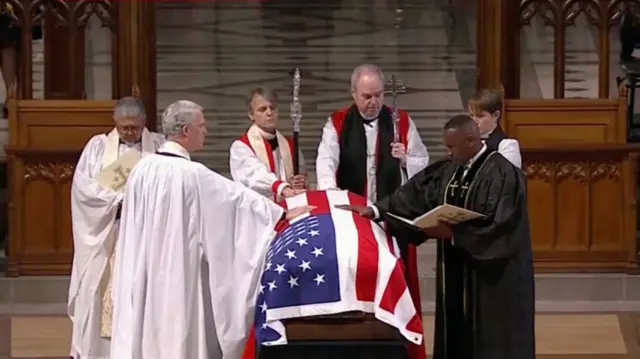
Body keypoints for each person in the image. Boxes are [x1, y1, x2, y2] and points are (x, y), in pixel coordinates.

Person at [109, 100, 312, 359]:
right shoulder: (193, 174)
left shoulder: (140, 169)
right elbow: (237, 202)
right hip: (176, 274)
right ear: (185, 131)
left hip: (144, 269)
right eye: (201, 126)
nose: (205, 131)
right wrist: (280, 213)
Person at [338, 115, 535, 359]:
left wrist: (455, 234)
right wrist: (377, 210)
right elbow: (415, 195)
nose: (448, 152)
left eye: (452, 146)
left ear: (471, 140)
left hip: (492, 282)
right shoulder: (450, 171)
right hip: (456, 270)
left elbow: (503, 228)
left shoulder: (503, 175)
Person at [315, 63, 430, 359]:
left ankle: (397, 343)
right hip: (354, 218)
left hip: (392, 216)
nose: (373, 102)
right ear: (353, 93)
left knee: (397, 278)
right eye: (366, 96)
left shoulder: (401, 122)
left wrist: (405, 159)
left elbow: (423, 167)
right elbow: (326, 163)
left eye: (378, 95)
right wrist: (333, 200)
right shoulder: (338, 122)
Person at [67, 97, 165, 359]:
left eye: (134, 127)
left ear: (144, 122)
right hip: (109, 230)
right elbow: (82, 190)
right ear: (115, 122)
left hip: (146, 231)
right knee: (101, 289)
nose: (129, 133)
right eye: (123, 128)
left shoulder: (159, 145)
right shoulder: (98, 147)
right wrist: (119, 198)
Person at [229, 86, 307, 200]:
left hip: (288, 209)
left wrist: (299, 182)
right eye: (262, 109)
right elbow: (254, 175)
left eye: (273, 108)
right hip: (257, 212)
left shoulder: (290, 144)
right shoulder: (241, 147)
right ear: (251, 115)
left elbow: (301, 178)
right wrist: (281, 187)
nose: (269, 113)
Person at [467, 87, 522, 168]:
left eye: (480, 116)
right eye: (471, 115)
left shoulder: (507, 146)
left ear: (496, 115)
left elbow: (506, 177)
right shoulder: (468, 144)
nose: (474, 121)